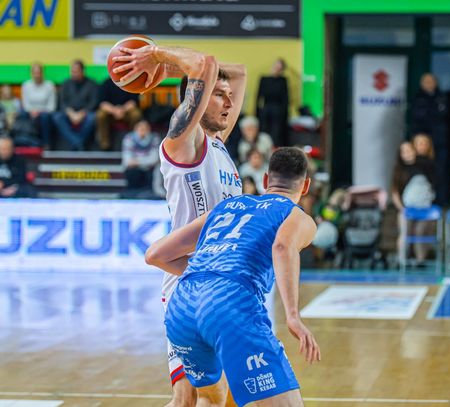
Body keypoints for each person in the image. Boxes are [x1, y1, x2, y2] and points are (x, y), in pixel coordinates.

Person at [112, 44, 246, 407]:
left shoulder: (218, 144)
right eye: (218, 95)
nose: (229, 102)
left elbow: (238, 72)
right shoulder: (183, 141)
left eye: (229, 96)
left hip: (219, 283)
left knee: (197, 398)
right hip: (191, 285)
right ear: (196, 100)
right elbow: (206, 64)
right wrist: (156, 55)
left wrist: (167, 69)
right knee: (209, 397)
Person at [145, 147, 320, 407]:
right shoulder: (296, 216)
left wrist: (211, 272)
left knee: (211, 399)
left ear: (265, 180)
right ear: (305, 186)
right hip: (229, 304)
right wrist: (293, 316)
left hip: (181, 308)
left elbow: (155, 255)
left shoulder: (226, 207)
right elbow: (283, 247)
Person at [392, 141, 436, 267]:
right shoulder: (399, 170)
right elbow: (395, 193)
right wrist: (402, 208)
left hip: (424, 208)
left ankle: (420, 260)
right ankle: (401, 260)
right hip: (407, 208)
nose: (407, 154)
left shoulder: (425, 166)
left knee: (420, 232)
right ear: (400, 155)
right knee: (404, 232)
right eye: (404, 152)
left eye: (409, 150)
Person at [410, 73, 449, 205]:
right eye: (426, 82)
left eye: (431, 81)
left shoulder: (442, 97)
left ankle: (441, 201)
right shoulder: (417, 98)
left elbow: (444, 117)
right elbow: (416, 119)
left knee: (440, 171)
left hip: (439, 141)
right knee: (423, 172)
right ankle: (423, 200)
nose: (429, 84)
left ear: (435, 83)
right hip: (422, 144)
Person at [53, 60, 98, 150]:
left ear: (82, 71)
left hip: (85, 113)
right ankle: (78, 143)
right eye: (72, 71)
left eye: (76, 71)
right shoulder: (66, 83)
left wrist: (82, 113)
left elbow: (94, 102)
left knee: (92, 118)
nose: (73, 74)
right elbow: (62, 102)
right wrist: (70, 113)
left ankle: (76, 144)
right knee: (57, 117)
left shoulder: (91, 84)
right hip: (69, 112)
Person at [96, 77, 142, 151]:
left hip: (126, 111)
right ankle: (104, 143)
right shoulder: (106, 83)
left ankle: (132, 140)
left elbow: (134, 102)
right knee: (100, 115)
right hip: (110, 113)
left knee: (136, 114)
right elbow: (102, 103)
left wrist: (122, 110)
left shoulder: (130, 82)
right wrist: (114, 110)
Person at [21, 63, 56, 149]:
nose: (37, 75)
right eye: (34, 73)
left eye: (38, 72)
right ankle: (25, 142)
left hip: (45, 112)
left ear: (42, 73)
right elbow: (25, 104)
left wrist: (39, 111)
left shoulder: (49, 85)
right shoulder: (26, 85)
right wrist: (32, 111)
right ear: (31, 74)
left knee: (44, 117)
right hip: (30, 111)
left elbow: (51, 106)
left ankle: (46, 144)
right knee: (22, 114)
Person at [121, 119, 160, 196]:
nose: (143, 130)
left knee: (156, 168)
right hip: (134, 171)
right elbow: (128, 161)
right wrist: (146, 161)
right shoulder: (129, 138)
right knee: (132, 172)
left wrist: (137, 161)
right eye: (140, 128)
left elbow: (154, 159)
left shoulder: (154, 138)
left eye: (145, 128)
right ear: (135, 129)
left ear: (149, 129)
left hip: (150, 171)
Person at [256, 58, 289, 146]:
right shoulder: (264, 79)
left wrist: (285, 115)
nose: (276, 69)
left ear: (281, 70)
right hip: (265, 109)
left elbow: (285, 99)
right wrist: (257, 112)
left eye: (279, 68)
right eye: (276, 66)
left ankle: (274, 147)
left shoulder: (283, 81)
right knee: (264, 131)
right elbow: (258, 96)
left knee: (276, 132)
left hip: (278, 111)